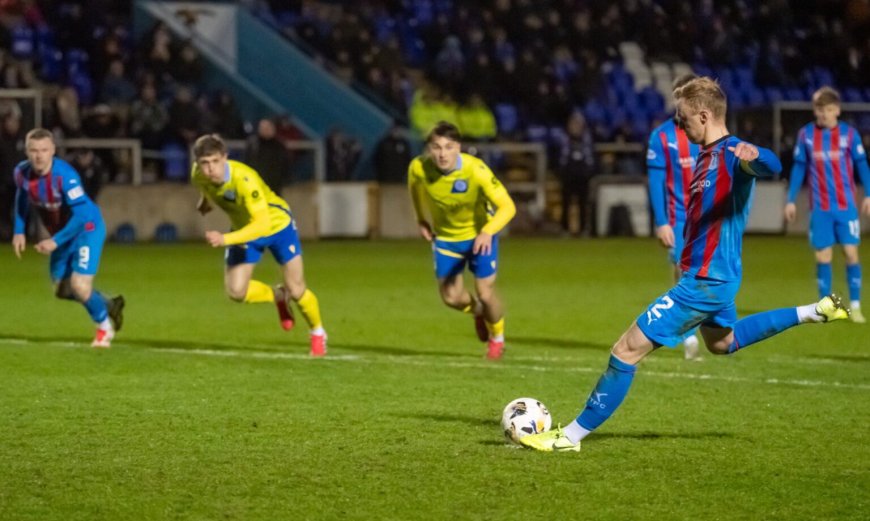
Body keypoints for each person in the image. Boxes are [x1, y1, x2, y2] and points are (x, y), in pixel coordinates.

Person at [519, 77, 850, 453]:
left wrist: (754, 153)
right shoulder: (706, 155)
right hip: (716, 278)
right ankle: (813, 311)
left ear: (704, 116)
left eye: (683, 119)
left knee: (625, 350)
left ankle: (570, 437)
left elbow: (772, 165)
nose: (680, 125)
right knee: (723, 343)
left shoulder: (730, 155)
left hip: (705, 283)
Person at [190, 134, 327, 356]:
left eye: (215, 161)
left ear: (225, 157)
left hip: (277, 227)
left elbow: (262, 225)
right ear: (197, 164)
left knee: (297, 289)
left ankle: (318, 333)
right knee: (236, 292)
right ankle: (277, 296)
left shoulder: (245, 180)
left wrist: (225, 239)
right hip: (245, 230)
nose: (210, 169)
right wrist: (205, 202)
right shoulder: (198, 176)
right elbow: (206, 188)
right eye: (204, 163)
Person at [407, 121, 516, 359]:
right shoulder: (418, 167)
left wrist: (488, 231)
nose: (442, 153)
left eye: (448, 147)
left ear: (458, 147)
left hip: (480, 238)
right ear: (428, 149)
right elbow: (415, 189)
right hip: (446, 239)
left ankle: (497, 339)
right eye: (436, 147)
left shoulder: (475, 170)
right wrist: (421, 219)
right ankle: (479, 312)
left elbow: (508, 207)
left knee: (486, 293)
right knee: (450, 297)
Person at [11, 128, 124, 347]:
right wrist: (18, 229)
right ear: (26, 151)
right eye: (33, 150)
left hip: (86, 230)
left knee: (79, 286)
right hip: (63, 235)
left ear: (53, 150)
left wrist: (55, 241)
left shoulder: (66, 177)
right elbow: (22, 196)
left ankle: (104, 328)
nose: (39, 156)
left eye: (44, 150)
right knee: (62, 291)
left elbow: (82, 216)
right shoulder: (21, 173)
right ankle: (108, 304)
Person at [784, 86, 870, 323]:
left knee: (851, 253)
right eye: (820, 110)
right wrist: (790, 200)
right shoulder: (806, 135)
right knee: (823, 257)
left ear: (837, 110)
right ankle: (825, 308)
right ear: (815, 111)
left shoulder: (849, 135)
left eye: (829, 110)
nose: (824, 115)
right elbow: (799, 167)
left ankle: (855, 306)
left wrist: (869, 194)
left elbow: (862, 165)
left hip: (845, 207)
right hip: (820, 208)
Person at [646, 73, 702, 358]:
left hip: (709, 217)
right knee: (684, 274)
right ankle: (690, 337)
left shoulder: (710, 132)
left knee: (711, 274)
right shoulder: (662, 136)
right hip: (679, 218)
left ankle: (716, 329)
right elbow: (656, 183)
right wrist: (661, 223)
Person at [558, 111, 596, 236]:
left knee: (583, 203)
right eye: (573, 124)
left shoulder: (587, 140)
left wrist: (588, 173)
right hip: (568, 176)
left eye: (578, 124)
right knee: (566, 203)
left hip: (582, 177)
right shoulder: (564, 140)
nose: (575, 127)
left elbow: (591, 159)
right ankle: (565, 229)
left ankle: (584, 229)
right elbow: (559, 160)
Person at [244, 118, 291, 194]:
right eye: (263, 128)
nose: (265, 130)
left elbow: (285, 165)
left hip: (274, 187)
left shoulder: (279, 146)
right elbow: (247, 162)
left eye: (267, 128)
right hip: (256, 185)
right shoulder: (253, 145)